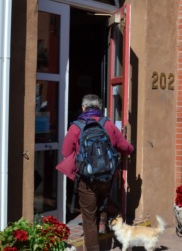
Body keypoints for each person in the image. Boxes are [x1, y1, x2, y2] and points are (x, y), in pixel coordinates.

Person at [58, 94, 134, 251]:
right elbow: (123, 146)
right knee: (102, 202)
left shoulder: (76, 126)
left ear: (83, 108)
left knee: (89, 218)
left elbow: (66, 151)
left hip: (86, 180)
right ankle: (112, 217)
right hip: (106, 177)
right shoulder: (108, 124)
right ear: (99, 109)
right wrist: (132, 149)